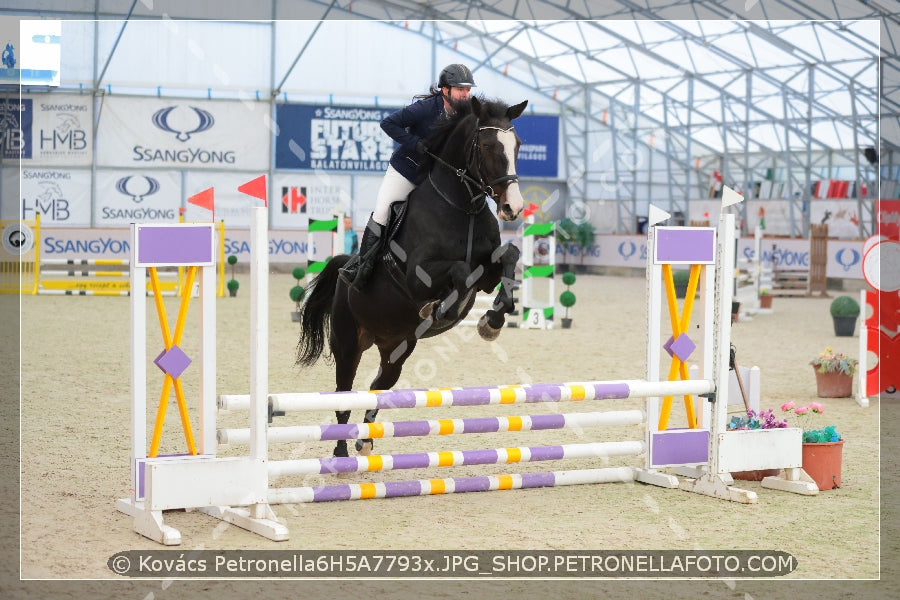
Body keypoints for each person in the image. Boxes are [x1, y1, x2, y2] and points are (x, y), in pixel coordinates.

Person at [340, 63, 476, 289]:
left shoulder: (468, 113)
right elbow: (388, 123)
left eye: (468, 90)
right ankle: (362, 267)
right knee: (383, 211)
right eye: (461, 89)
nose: (466, 94)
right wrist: (415, 144)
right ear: (445, 90)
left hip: (434, 178)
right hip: (407, 171)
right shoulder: (424, 109)